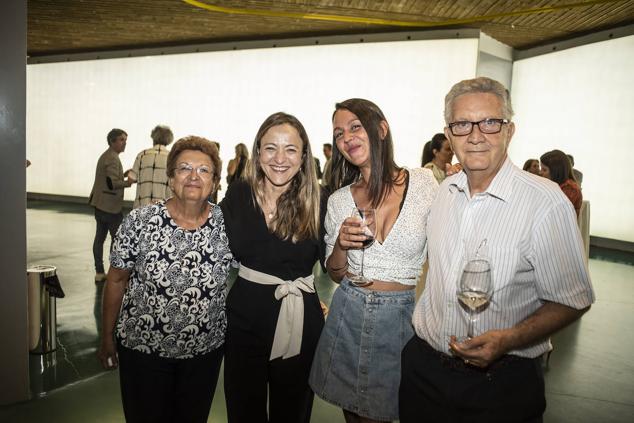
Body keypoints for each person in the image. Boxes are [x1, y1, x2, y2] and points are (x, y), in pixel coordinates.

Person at [399, 77, 595, 423]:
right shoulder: (444, 194)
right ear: (449, 132)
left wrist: (509, 339)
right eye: (462, 124)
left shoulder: (545, 203)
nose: (475, 135)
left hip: (500, 386)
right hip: (424, 373)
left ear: (510, 130)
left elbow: (573, 298)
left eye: (489, 122)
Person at [310, 98, 438, 423]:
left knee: (393, 411)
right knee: (355, 416)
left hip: (401, 319)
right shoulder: (340, 201)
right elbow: (336, 273)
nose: (347, 138)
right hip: (349, 314)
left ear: (381, 129)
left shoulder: (424, 183)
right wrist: (340, 243)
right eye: (339, 133)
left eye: (355, 127)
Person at [98, 136, 232, 423]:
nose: (194, 176)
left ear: (215, 181)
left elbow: (258, 265)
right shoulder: (140, 221)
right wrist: (107, 337)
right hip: (143, 351)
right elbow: (117, 280)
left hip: (203, 354)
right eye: (184, 168)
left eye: (204, 170)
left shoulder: (228, 225)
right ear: (171, 178)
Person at [221, 112, 326, 423]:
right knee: (243, 410)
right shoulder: (239, 194)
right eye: (270, 148)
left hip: (299, 318)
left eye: (291, 149)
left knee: (291, 413)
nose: (280, 159)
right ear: (257, 152)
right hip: (244, 320)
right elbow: (213, 244)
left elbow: (339, 267)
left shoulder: (320, 200)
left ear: (304, 155)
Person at [89, 128, 134, 283]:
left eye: (125, 140)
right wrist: (129, 182)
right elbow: (112, 184)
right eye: (122, 140)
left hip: (100, 204)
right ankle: (112, 271)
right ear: (112, 141)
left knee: (100, 238)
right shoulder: (113, 158)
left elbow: (109, 179)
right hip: (110, 207)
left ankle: (100, 271)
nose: (125, 143)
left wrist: (122, 175)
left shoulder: (107, 156)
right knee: (118, 240)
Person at [130, 124, 173, 208]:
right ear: (169, 140)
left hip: (141, 207)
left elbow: (131, 179)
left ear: (153, 137)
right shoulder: (172, 157)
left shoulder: (142, 155)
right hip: (163, 209)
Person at [541, 149, 583, 217]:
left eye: (544, 170)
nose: (540, 172)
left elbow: (555, 214)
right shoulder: (557, 185)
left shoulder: (570, 188)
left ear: (555, 171)